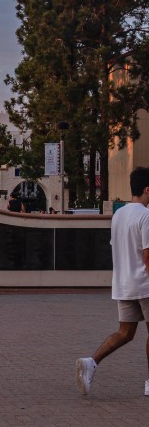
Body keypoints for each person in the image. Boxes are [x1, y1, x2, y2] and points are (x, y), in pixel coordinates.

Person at [76, 166, 149, 397]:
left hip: (124, 284)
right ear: (148, 189)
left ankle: (91, 362)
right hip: (145, 284)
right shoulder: (146, 216)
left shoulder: (119, 215)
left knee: (125, 333)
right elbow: (147, 255)